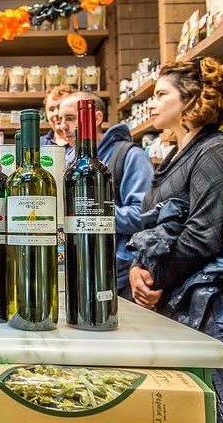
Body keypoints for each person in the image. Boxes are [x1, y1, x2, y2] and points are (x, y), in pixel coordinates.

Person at [128, 57, 223, 422]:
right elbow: (154, 230)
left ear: (192, 98)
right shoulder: (176, 155)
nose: (153, 102)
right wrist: (139, 268)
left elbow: (202, 238)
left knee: (217, 406)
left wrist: (153, 279)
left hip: (217, 311)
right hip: (179, 302)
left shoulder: (219, 152)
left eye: (162, 93)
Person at [58, 91, 153, 296]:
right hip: (75, 269)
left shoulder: (129, 156)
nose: (62, 126)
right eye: (60, 119)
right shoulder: (66, 159)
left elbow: (144, 216)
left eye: (70, 118)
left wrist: (89, 212)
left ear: (96, 118)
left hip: (116, 278)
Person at [40, 84, 74, 149]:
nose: (56, 113)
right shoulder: (38, 144)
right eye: (51, 109)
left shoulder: (86, 145)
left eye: (61, 107)